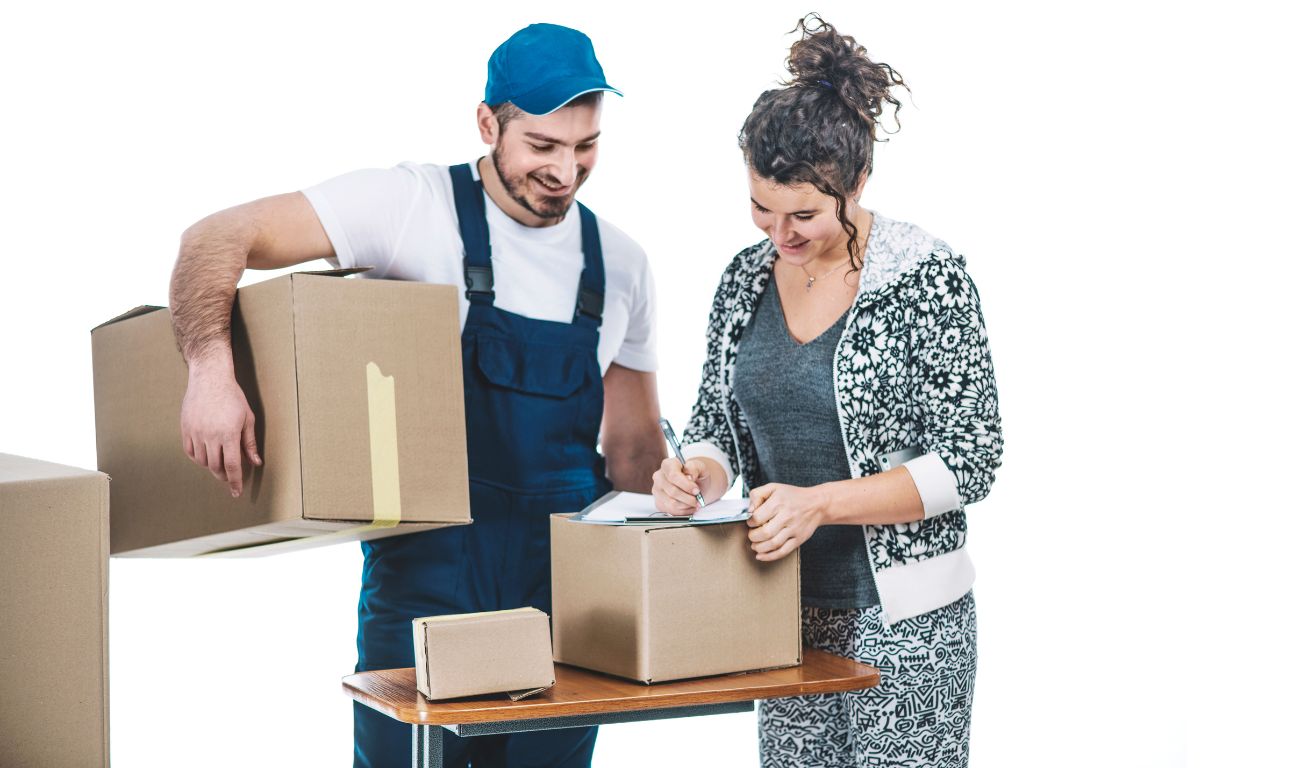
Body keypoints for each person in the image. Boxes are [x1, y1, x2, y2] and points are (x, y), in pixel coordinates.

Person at [170, 23, 665, 768]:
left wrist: (686, 513)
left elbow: (632, 453)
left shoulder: (621, 264)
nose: (565, 170)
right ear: (486, 123)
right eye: (542, 146)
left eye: (585, 145)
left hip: (564, 599)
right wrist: (210, 370)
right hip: (429, 583)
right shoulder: (412, 205)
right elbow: (216, 237)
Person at [651, 14, 1004, 768]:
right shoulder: (745, 279)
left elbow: (971, 461)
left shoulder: (924, 280)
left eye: (804, 214)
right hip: (779, 614)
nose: (779, 234)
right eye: (760, 208)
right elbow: (717, 421)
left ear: (858, 181)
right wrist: (697, 474)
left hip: (909, 625)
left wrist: (821, 502)